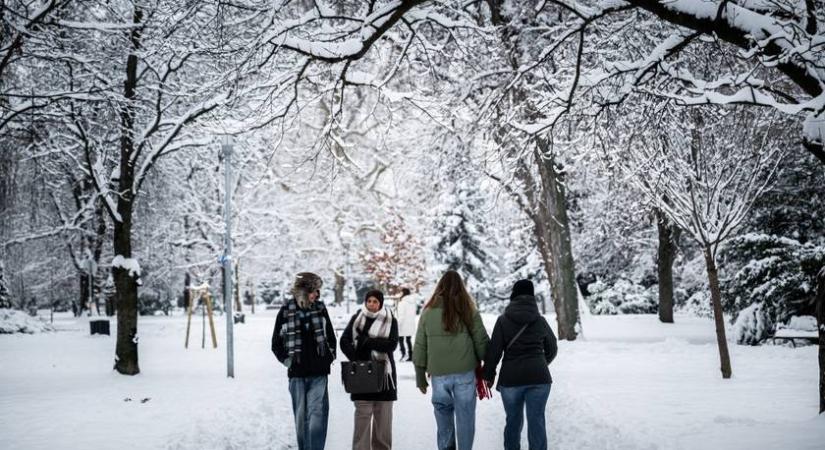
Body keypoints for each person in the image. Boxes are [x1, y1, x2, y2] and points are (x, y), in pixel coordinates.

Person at [413, 270, 489, 450]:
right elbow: (481, 341)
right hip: (465, 372)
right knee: (465, 417)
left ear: (440, 287)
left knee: (443, 415)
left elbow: (420, 346)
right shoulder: (469, 310)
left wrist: (420, 376)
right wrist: (488, 367)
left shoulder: (427, 312)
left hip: (439, 374)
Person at [482, 279, 558, 450]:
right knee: (537, 421)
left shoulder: (502, 321)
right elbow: (552, 348)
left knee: (513, 421)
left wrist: (488, 375)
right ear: (532, 297)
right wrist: (540, 364)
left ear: (513, 296)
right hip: (540, 378)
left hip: (511, 379)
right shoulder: (540, 321)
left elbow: (494, 352)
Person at [271, 272, 337, 450]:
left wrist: (328, 358)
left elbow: (331, 337)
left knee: (317, 417)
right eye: (314, 290)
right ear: (303, 290)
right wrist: (287, 361)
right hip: (297, 375)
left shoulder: (321, 309)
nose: (316, 294)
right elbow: (276, 343)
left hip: (319, 374)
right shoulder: (285, 312)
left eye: (317, 291)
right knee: (301, 418)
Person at [340, 289, 399, 450]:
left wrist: (366, 342)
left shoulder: (391, 320)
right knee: (362, 421)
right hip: (362, 375)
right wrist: (356, 357)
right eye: (369, 301)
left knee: (383, 423)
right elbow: (344, 341)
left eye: (375, 302)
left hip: (384, 375)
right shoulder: (357, 318)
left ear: (381, 303)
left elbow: (392, 344)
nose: (372, 304)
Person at [395, 287, 417, 362]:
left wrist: (397, 325)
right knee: (408, 340)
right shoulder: (412, 303)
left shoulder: (402, 303)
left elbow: (401, 316)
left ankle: (403, 354)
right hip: (410, 324)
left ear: (403, 293)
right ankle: (411, 355)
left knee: (400, 340)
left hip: (403, 325)